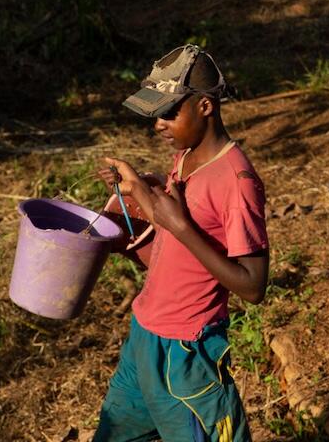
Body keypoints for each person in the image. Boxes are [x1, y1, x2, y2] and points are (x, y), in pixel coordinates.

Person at [92, 44, 268, 442]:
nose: (158, 123)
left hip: (188, 355)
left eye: (169, 112)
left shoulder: (236, 183)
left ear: (205, 106)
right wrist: (139, 190)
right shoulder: (186, 156)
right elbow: (172, 231)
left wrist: (182, 225)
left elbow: (253, 286)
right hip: (145, 337)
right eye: (156, 113)